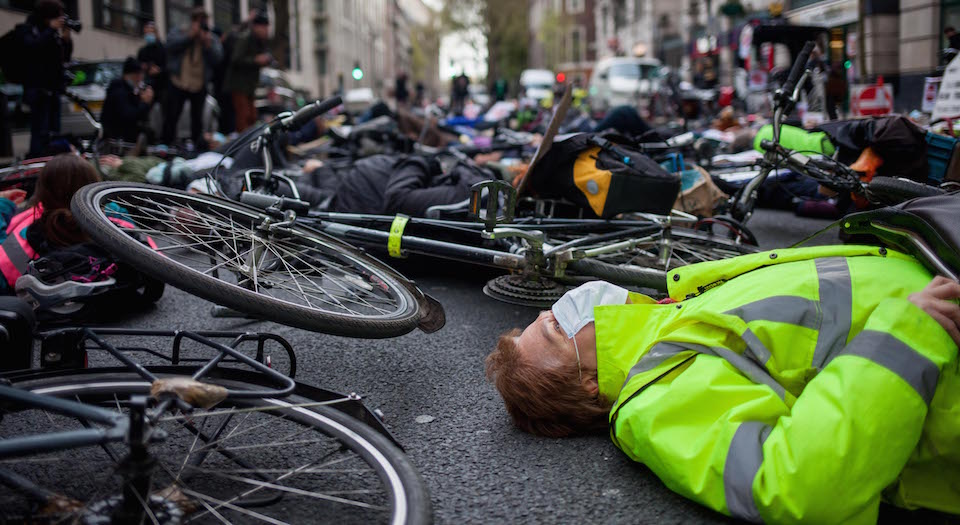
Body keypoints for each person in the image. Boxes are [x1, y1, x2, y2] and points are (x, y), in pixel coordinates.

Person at [486, 247, 960, 521]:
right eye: (554, 329)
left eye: (545, 315)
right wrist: (904, 338)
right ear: (589, 384)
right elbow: (794, 484)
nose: (559, 308)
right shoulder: (653, 398)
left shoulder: (668, 317)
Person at [0, 154, 101, 291]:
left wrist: (2, 206)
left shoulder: (31, 236)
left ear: (42, 193)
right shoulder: (117, 224)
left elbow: (3, 271)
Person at [18, 0, 73, 157]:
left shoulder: (53, 33)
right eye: (58, 16)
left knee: (54, 131)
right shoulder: (29, 30)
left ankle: (52, 160)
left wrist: (66, 39)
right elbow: (33, 49)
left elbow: (63, 58)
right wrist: (50, 30)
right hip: (38, 90)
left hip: (54, 88)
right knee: (40, 132)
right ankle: (37, 161)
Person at [163, 7, 222, 147]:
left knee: (197, 118)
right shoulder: (181, 32)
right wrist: (189, 36)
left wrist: (207, 44)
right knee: (172, 115)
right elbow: (169, 46)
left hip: (199, 84)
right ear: (193, 22)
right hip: (179, 81)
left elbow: (218, 58)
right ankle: (167, 143)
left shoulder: (210, 38)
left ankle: (197, 145)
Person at [223, 12, 271, 133]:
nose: (266, 30)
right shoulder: (245, 38)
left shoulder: (260, 41)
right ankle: (243, 144)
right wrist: (255, 60)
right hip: (239, 85)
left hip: (249, 86)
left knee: (252, 117)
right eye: (264, 27)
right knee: (243, 117)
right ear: (256, 27)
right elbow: (235, 59)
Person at [101, 57, 154, 143]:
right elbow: (129, 116)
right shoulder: (119, 92)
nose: (140, 79)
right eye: (138, 75)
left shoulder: (127, 90)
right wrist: (144, 103)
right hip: (118, 137)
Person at [136, 21, 166, 109]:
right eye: (146, 33)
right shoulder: (143, 51)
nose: (148, 35)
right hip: (147, 86)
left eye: (150, 32)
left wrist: (159, 70)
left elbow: (169, 67)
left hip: (162, 86)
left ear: (156, 33)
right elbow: (138, 67)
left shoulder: (163, 49)